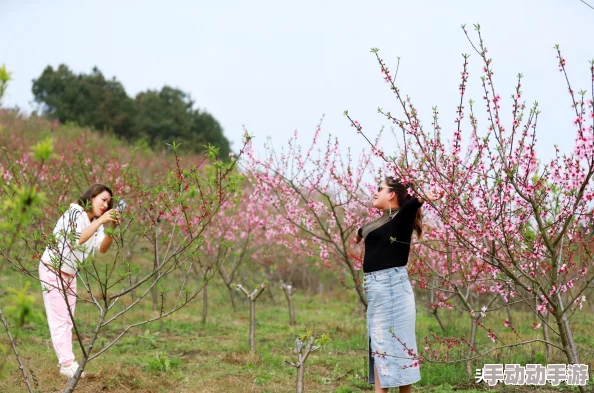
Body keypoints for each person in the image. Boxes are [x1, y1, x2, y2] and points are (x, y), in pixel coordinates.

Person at [355, 176, 442, 393]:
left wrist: (424, 198)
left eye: (379, 189)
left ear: (392, 194)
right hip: (379, 287)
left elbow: (412, 204)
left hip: (391, 286)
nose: (374, 192)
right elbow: (363, 231)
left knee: (394, 344)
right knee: (380, 343)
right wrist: (358, 236)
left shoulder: (401, 219)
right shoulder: (381, 221)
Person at [38, 184, 120, 378]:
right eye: (103, 199)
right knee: (59, 320)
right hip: (53, 269)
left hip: (69, 273)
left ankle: (67, 363)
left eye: (109, 202)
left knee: (68, 321)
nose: (106, 205)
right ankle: (67, 365)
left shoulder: (94, 221)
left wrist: (112, 228)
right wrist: (100, 222)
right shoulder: (74, 213)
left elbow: (102, 248)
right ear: (91, 197)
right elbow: (77, 239)